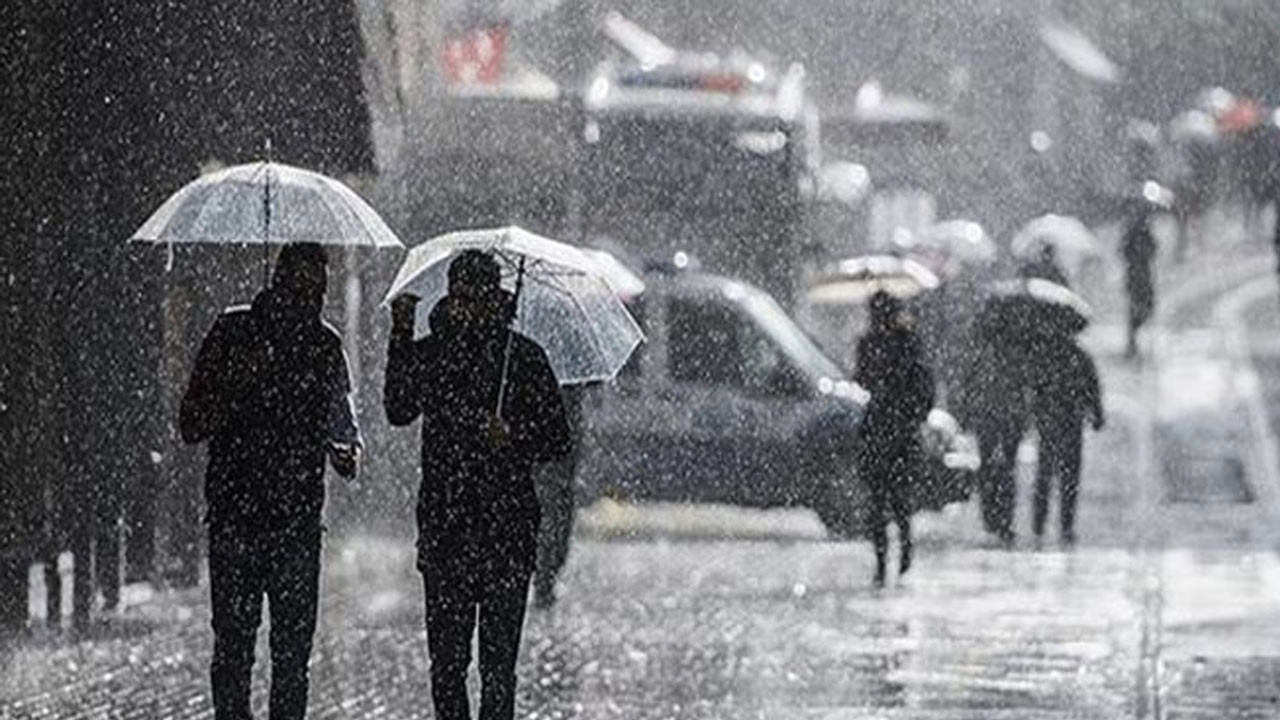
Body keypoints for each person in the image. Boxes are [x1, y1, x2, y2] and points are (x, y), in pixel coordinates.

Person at [384, 250, 571, 720]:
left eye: (476, 297)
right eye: (460, 296)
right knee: (447, 667)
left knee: (497, 669)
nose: (467, 307)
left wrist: (513, 437)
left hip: (506, 533)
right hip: (447, 530)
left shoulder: (523, 358)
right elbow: (398, 407)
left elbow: (557, 439)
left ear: (496, 299)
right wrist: (400, 333)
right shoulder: (432, 352)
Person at [180, 242, 362, 720]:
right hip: (236, 518)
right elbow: (191, 422)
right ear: (277, 282)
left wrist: (345, 453)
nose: (309, 300)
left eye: (317, 291)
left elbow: (342, 426)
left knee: (291, 660)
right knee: (234, 653)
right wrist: (240, 384)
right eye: (300, 287)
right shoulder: (232, 333)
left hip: (296, 523)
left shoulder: (324, 345)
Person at [853, 291, 935, 587]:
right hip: (890, 430)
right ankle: (890, 556)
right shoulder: (897, 342)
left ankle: (892, 556)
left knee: (888, 501)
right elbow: (862, 379)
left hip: (889, 430)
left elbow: (862, 379)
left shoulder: (900, 343)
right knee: (889, 501)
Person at [955, 328, 1033, 546]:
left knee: (991, 468)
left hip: (992, 421)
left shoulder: (982, 357)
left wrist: (967, 414)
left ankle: (993, 518)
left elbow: (969, 389)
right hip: (1002, 421)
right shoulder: (1016, 358)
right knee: (1002, 469)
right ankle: (1000, 518)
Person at [1030, 335, 1104, 546]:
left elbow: (1035, 390)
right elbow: (1093, 389)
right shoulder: (1081, 357)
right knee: (1069, 477)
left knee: (1045, 475)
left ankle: (1038, 525)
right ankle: (1066, 526)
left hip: (1049, 425)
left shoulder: (1045, 356)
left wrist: (1037, 414)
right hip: (1071, 425)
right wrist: (1097, 415)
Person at [533, 383, 588, 609]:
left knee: (556, 527)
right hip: (550, 473)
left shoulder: (572, 398)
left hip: (558, 474)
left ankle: (544, 575)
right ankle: (543, 576)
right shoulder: (546, 393)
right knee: (552, 526)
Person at [1121, 212, 1158, 358]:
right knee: (1137, 308)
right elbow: (1123, 252)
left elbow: (1154, 250)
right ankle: (1133, 340)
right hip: (1137, 277)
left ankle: (1133, 338)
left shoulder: (1141, 235)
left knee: (1142, 307)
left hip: (1140, 277)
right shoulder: (1132, 236)